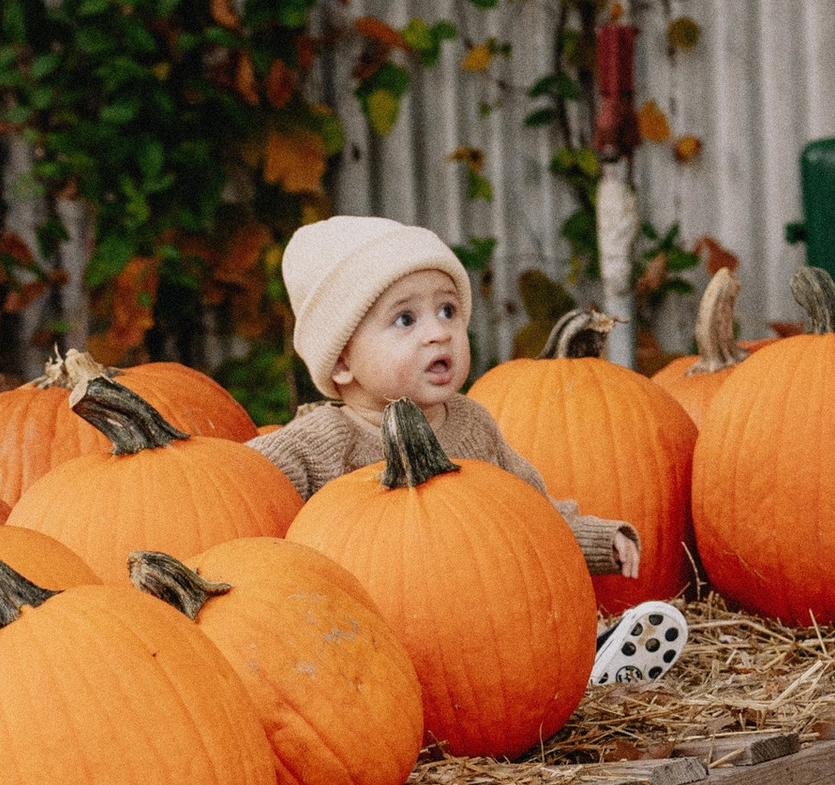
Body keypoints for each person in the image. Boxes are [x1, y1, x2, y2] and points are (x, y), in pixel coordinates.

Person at [253, 215, 642, 582]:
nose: (439, 332)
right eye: (406, 319)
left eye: (447, 310)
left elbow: (533, 514)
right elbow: (242, 484)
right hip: (373, 621)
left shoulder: (473, 425)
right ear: (341, 361)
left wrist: (594, 540)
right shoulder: (321, 441)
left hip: (476, 613)